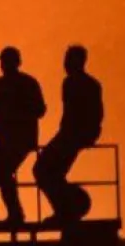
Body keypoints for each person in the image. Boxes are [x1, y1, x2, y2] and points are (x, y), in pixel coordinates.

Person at [0, 46, 46, 225]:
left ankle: (11, 214)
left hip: (20, 140)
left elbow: (39, 109)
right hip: (8, 140)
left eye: (6, 62)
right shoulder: (3, 85)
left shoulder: (23, 84)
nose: (4, 66)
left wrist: (13, 110)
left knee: (1, 171)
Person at [33, 45, 104, 225]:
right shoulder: (92, 84)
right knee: (52, 172)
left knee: (42, 169)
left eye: (68, 59)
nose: (64, 63)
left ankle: (65, 209)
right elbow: (98, 114)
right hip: (78, 134)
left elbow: (72, 114)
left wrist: (69, 135)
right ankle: (67, 206)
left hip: (72, 135)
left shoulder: (71, 83)